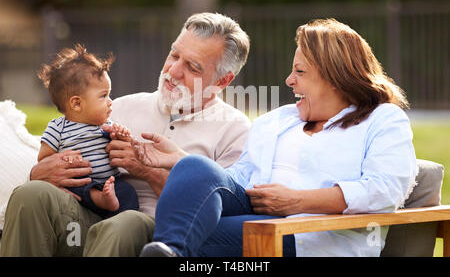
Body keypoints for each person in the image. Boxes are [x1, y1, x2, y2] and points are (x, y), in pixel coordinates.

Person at [136, 18, 418, 257]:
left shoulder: (383, 120)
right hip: (257, 211)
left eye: (300, 71)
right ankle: (170, 251)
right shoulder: (280, 119)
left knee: (197, 233)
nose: (289, 80)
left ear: (336, 78)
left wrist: (297, 201)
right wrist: (185, 164)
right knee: (194, 167)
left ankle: (172, 249)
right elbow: (243, 176)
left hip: (313, 237)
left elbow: (385, 190)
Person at [0, 12, 251, 256]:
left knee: (126, 223)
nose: (173, 71)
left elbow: (216, 213)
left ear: (222, 81)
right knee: (30, 194)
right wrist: (41, 172)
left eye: (192, 67)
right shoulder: (119, 107)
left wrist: (144, 170)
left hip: (155, 235)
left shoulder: (235, 130)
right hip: (90, 220)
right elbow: (63, 150)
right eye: (174, 54)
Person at [36, 44, 139, 219]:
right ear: (76, 103)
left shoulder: (105, 125)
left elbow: (120, 145)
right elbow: (44, 160)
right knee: (75, 188)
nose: (110, 101)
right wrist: (64, 160)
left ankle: (119, 221)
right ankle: (100, 199)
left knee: (128, 192)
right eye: (103, 95)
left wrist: (121, 135)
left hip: (110, 182)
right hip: (81, 184)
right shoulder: (58, 128)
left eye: (109, 94)